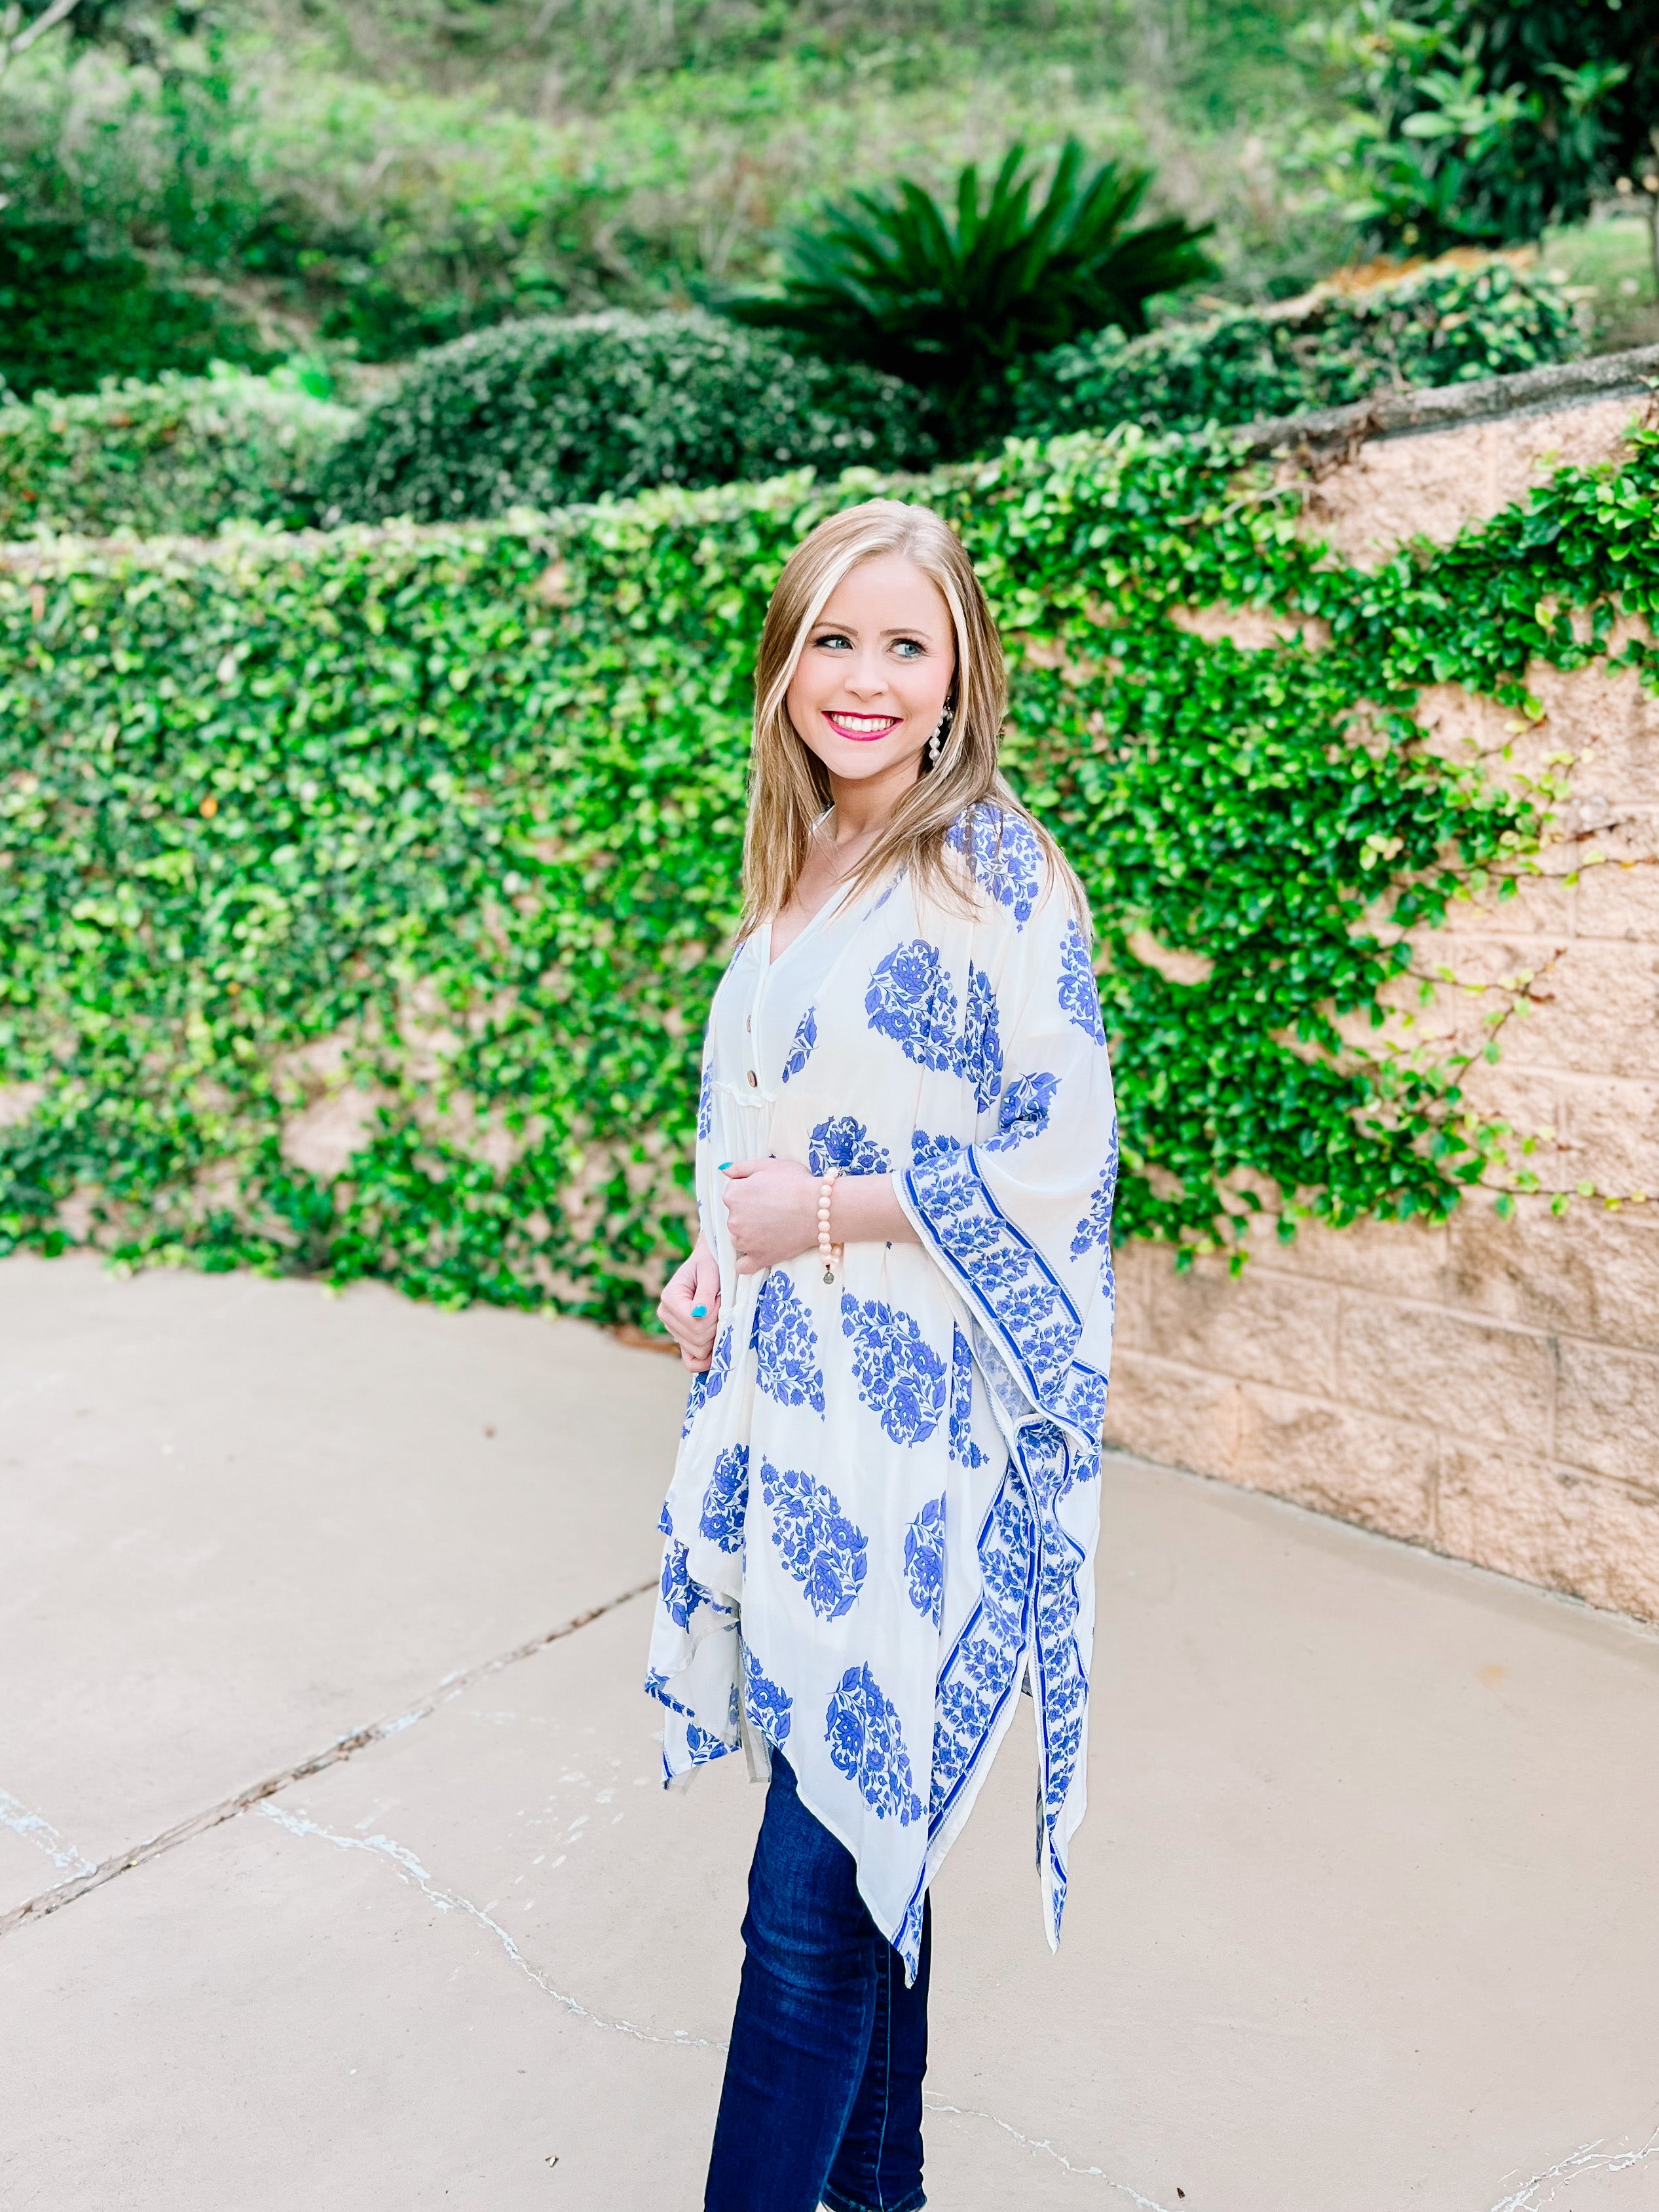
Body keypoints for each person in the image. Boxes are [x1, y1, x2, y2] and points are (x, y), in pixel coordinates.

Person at [648, 496, 1117, 2212]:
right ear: (783, 666)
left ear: (956, 672)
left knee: (801, 1919)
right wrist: (720, 1265)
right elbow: (757, 1136)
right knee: (862, 1854)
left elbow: (1060, 1162)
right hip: (799, 1441)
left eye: (902, 643)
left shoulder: (992, 867)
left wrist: (827, 1217)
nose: (864, 677)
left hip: (921, 1465)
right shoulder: (801, 867)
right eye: (832, 639)